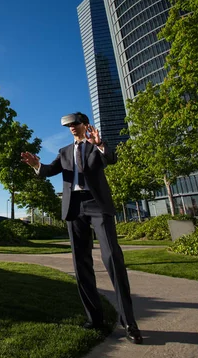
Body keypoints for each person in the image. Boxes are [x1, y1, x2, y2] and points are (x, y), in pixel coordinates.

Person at [21, 112, 143, 344]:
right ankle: (94, 318)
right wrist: (37, 164)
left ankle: (128, 322)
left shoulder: (95, 146)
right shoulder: (64, 152)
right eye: (68, 126)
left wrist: (99, 144)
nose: (71, 128)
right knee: (81, 263)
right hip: (74, 208)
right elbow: (48, 171)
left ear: (84, 125)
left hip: (98, 205)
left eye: (74, 124)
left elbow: (111, 159)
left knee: (113, 259)